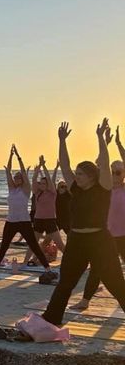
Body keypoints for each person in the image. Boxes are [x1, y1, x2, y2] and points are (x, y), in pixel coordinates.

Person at [41, 120, 125, 325]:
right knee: (65, 283)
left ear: (90, 176)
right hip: (76, 240)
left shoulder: (103, 188)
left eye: (80, 174)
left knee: (115, 284)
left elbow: (104, 164)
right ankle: (51, 319)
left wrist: (100, 139)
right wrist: (61, 141)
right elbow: (65, 164)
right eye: (76, 174)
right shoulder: (75, 189)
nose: (75, 177)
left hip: (100, 240)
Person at [73, 125, 125, 311]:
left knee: (117, 278)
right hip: (106, 236)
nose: (114, 174)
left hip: (124, 236)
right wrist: (104, 143)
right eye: (112, 171)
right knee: (96, 270)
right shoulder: (103, 188)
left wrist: (119, 144)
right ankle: (85, 301)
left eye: (118, 172)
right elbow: (100, 164)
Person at [0, 145, 51, 271]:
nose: (17, 178)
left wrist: (18, 156)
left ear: (23, 179)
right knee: (4, 246)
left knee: (34, 245)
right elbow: (8, 171)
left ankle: (48, 269)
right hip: (11, 221)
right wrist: (10, 155)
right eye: (15, 177)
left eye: (19, 177)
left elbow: (24, 171)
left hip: (24, 222)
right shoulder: (12, 189)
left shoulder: (26, 189)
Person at [27, 156, 65, 264]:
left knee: (60, 244)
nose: (42, 185)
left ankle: (70, 260)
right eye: (41, 183)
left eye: (44, 184)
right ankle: (27, 262)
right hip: (38, 220)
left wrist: (44, 166)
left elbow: (49, 178)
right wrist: (38, 167)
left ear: (48, 185)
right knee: (33, 243)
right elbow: (34, 180)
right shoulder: (38, 193)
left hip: (50, 220)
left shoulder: (52, 193)